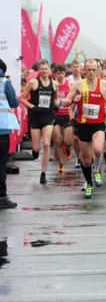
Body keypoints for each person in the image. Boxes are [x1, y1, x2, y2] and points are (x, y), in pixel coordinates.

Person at [63, 59, 106, 198]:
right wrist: (74, 100)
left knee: (98, 150)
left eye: (93, 70)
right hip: (83, 124)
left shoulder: (104, 84)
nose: (91, 72)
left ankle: (97, 170)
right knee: (85, 160)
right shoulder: (77, 85)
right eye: (88, 70)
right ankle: (89, 183)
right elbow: (67, 101)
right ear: (84, 70)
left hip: (98, 123)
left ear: (98, 70)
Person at [20, 59, 58, 184]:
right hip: (36, 116)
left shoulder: (54, 84)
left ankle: (43, 173)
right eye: (42, 69)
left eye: (46, 69)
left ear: (50, 70)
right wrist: (32, 107)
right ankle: (35, 152)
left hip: (48, 115)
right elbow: (22, 98)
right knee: (36, 148)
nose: (44, 71)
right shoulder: (33, 83)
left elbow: (55, 99)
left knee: (47, 144)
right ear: (39, 71)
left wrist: (57, 104)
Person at [0, 59, 20, 209]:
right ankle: (1, 197)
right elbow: (13, 102)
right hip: (2, 129)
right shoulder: (4, 83)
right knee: (1, 163)